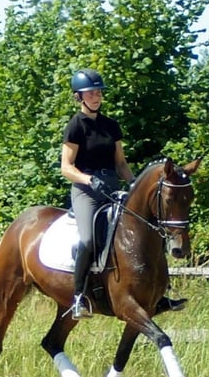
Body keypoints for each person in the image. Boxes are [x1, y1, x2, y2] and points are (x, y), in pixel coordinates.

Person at [60, 68, 186, 319]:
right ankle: (78, 297)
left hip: (111, 187)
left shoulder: (111, 126)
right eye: (91, 93)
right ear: (79, 96)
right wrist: (89, 180)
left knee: (146, 227)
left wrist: (133, 185)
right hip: (86, 191)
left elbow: (121, 164)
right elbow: (66, 167)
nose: (96, 97)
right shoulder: (75, 126)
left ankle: (158, 294)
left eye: (99, 93)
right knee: (87, 240)